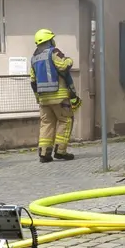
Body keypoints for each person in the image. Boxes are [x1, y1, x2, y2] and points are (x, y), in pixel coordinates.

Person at [31, 28, 78, 163]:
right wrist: (69, 60)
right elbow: (63, 66)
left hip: (43, 100)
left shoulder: (34, 58)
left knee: (47, 124)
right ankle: (60, 151)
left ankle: (45, 153)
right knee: (66, 120)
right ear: (49, 40)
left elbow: (33, 81)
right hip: (59, 96)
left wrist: (38, 98)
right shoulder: (54, 52)